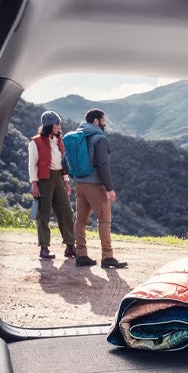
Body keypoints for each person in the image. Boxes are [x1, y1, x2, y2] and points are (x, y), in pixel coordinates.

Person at [69, 108, 128, 268]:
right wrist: (109, 188)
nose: (105, 123)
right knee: (104, 220)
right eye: (103, 120)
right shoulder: (99, 138)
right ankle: (107, 256)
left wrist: (75, 177)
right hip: (95, 185)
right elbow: (102, 165)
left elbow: (64, 161)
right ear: (96, 121)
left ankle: (81, 255)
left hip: (79, 185)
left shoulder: (77, 136)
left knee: (80, 220)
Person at [28, 111, 77, 259]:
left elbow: (63, 164)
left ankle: (70, 246)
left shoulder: (58, 140)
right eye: (56, 124)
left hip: (58, 178)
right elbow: (32, 165)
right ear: (49, 125)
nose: (59, 126)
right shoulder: (35, 142)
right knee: (44, 213)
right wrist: (34, 184)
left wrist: (66, 182)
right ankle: (44, 248)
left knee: (66, 211)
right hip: (43, 179)